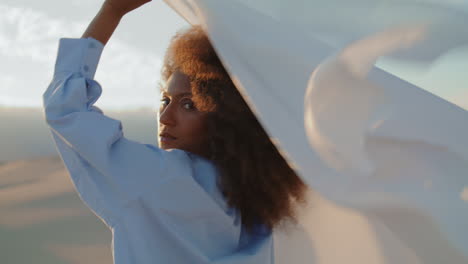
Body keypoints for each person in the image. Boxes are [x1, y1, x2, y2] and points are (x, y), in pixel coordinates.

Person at [43, 0, 306, 263]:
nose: (166, 118)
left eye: (189, 105)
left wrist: (111, 12)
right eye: (165, 100)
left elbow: (65, 110)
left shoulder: (159, 176)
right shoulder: (260, 204)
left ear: (228, 118)